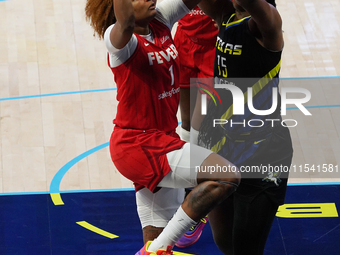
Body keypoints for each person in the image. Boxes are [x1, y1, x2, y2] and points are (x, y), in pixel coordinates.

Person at [84, 0, 241, 254]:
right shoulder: (121, 42)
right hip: (139, 144)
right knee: (226, 175)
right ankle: (158, 247)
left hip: (163, 140)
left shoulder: (160, 20)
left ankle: (154, 247)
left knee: (154, 233)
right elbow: (125, 21)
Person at [194, 0, 294, 254]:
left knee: (246, 247)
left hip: (264, 151)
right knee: (224, 241)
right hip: (223, 144)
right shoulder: (224, 16)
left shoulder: (268, 24)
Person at [172, 6, 218, 248]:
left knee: (203, 128)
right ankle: (190, 193)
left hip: (214, 47)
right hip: (184, 43)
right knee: (187, 125)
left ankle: (198, 204)